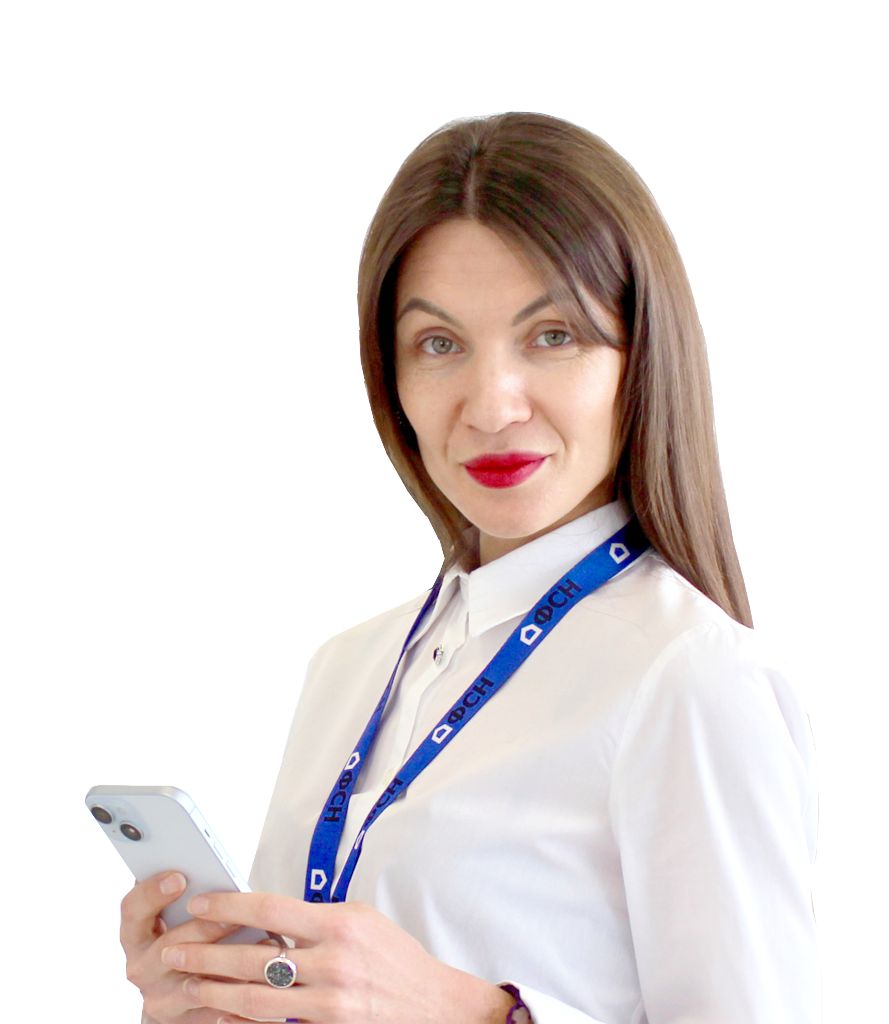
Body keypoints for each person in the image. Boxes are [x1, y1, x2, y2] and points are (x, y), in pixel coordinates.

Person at [119, 111, 820, 1024]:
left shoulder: (691, 676)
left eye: (553, 335)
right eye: (440, 344)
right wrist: (208, 998)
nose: (490, 407)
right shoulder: (346, 668)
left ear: (640, 358)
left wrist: (484, 1015)